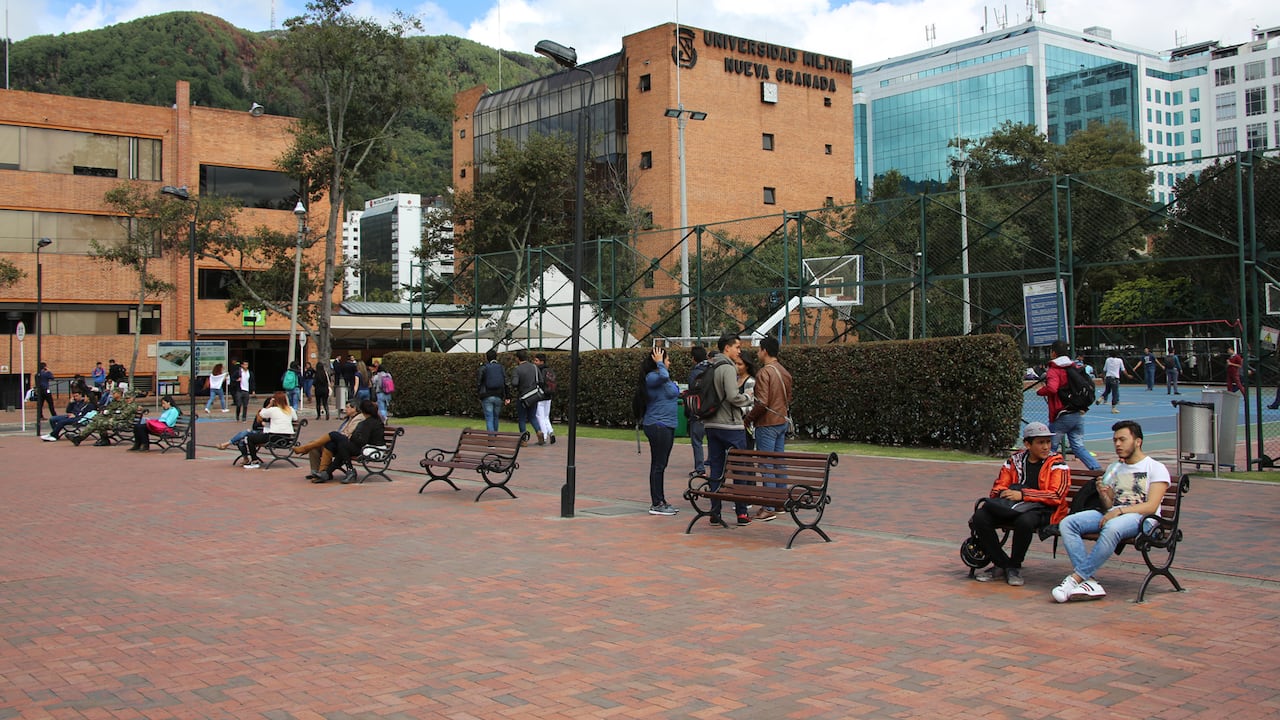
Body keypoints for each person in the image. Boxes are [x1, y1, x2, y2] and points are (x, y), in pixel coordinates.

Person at [1052, 420, 1171, 603]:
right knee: (1068, 523)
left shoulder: (1155, 468)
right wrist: (1104, 495)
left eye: (1122, 440)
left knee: (1113, 527)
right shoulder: (1115, 468)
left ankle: (1077, 578)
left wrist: (1119, 511)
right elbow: (1109, 506)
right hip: (1116, 514)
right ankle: (1089, 581)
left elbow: (1151, 506)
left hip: (1144, 519)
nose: (1117, 444)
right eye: (1115, 440)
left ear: (1137, 441)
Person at [969, 422, 1072, 586]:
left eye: (1048, 442)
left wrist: (1023, 494)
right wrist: (1005, 492)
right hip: (1013, 507)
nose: (1046, 447)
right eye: (1040, 442)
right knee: (980, 517)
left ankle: (1014, 564)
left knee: (1024, 521)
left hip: (1045, 510)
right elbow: (998, 487)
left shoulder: (1057, 463)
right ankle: (1004, 564)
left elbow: (1056, 495)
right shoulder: (1014, 461)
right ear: (1027, 444)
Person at [703, 332, 756, 527]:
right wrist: (749, 398)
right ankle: (741, 513)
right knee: (739, 468)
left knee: (716, 468)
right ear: (727, 348)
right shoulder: (727, 367)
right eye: (737, 347)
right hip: (730, 425)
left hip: (711, 423)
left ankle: (715, 511)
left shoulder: (709, 364)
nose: (739, 351)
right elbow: (733, 396)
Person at [744, 336, 794, 522]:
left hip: (766, 424)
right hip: (781, 421)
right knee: (779, 462)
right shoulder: (784, 372)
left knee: (766, 464)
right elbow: (788, 398)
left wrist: (748, 419)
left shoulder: (764, 373)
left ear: (765, 350)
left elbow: (762, 402)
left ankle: (768, 506)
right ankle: (780, 501)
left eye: (759, 350)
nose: (758, 353)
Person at [1037, 340, 1102, 472]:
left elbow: (1052, 388)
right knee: (1078, 446)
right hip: (1077, 412)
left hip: (1062, 414)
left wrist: (1040, 391)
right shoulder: (1073, 367)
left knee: (1050, 447)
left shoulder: (1054, 369)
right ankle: (1096, 470)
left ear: (1053, 353)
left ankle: (1044, 472)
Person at [636, 345, 681, 516]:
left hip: (667, 425)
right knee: (658, 465)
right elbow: (664, 375)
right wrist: (660, 362)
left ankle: (660, 500)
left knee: (661, 464)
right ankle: (657, 502)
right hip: (658, 425)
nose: (669, 363)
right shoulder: (653, 377)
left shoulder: (663, 379)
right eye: (667, 359)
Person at [314, 400, 384, 484]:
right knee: (342, 446)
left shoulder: (369, 423)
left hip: (372, 449)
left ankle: (345, 471)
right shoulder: (371, 421)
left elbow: (362, 440)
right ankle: (328, 473)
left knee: (341, 444)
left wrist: (352, 438)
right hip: (366, 447)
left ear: (363, 411)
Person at [293, 400, 361, 480]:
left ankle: (323, 471)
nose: (345, 409)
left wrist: (336, 436)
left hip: (346, 445)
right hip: (339, 442)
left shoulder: (358, 419)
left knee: (331, 440)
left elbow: (348, 434)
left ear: (355, 408)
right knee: (314, 446)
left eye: (348, 407)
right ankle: (316, 472)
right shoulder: (349, 418)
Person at [239, 391, 297, 469]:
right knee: (254, 436)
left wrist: (269, 404)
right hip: (287, 438)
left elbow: (261, 414)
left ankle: (254, 460)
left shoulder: (273, 409)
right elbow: (295, 418)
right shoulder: (290, 409)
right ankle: (254, 459)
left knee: (250, 437)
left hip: (273, 437)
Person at [686, 345, 710, 478]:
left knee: (697, 441)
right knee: (713, 439)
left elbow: (691, 391)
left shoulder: (695, 373)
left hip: (698, 411)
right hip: (712, 410)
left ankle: (700, 468)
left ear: (694, 359)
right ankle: (712, 461)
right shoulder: (712, 369)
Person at [511, 350, 540, 445]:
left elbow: (515, 383)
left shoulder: (517, 369)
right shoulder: (534, 367)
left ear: (517, 358)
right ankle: (539, 431)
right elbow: (541, 380)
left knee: (522, 418)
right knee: (532, 417)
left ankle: (523, 440)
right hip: (534, 396)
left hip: (523, 396)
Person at [477, 348, 508, 432]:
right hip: (499, 395)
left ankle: (491, 440)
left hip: (487, 395)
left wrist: (479, 394)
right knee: (496, 417)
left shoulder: (484, 367)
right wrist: (507, 396)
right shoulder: (501, 367)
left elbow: (479, 382)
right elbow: (506, 382)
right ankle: (495, 436)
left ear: (487, 358)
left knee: (489, 417)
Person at [532, 353, 556, 445]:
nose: (534, 362)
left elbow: (539, 383)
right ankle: (551, 432)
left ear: (541, 361)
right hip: (549, 396)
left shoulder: (539, 370)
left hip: (541, 396)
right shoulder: (550, 370)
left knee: (539, 417)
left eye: (536, 360)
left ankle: (544, 437)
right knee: (546, 416)